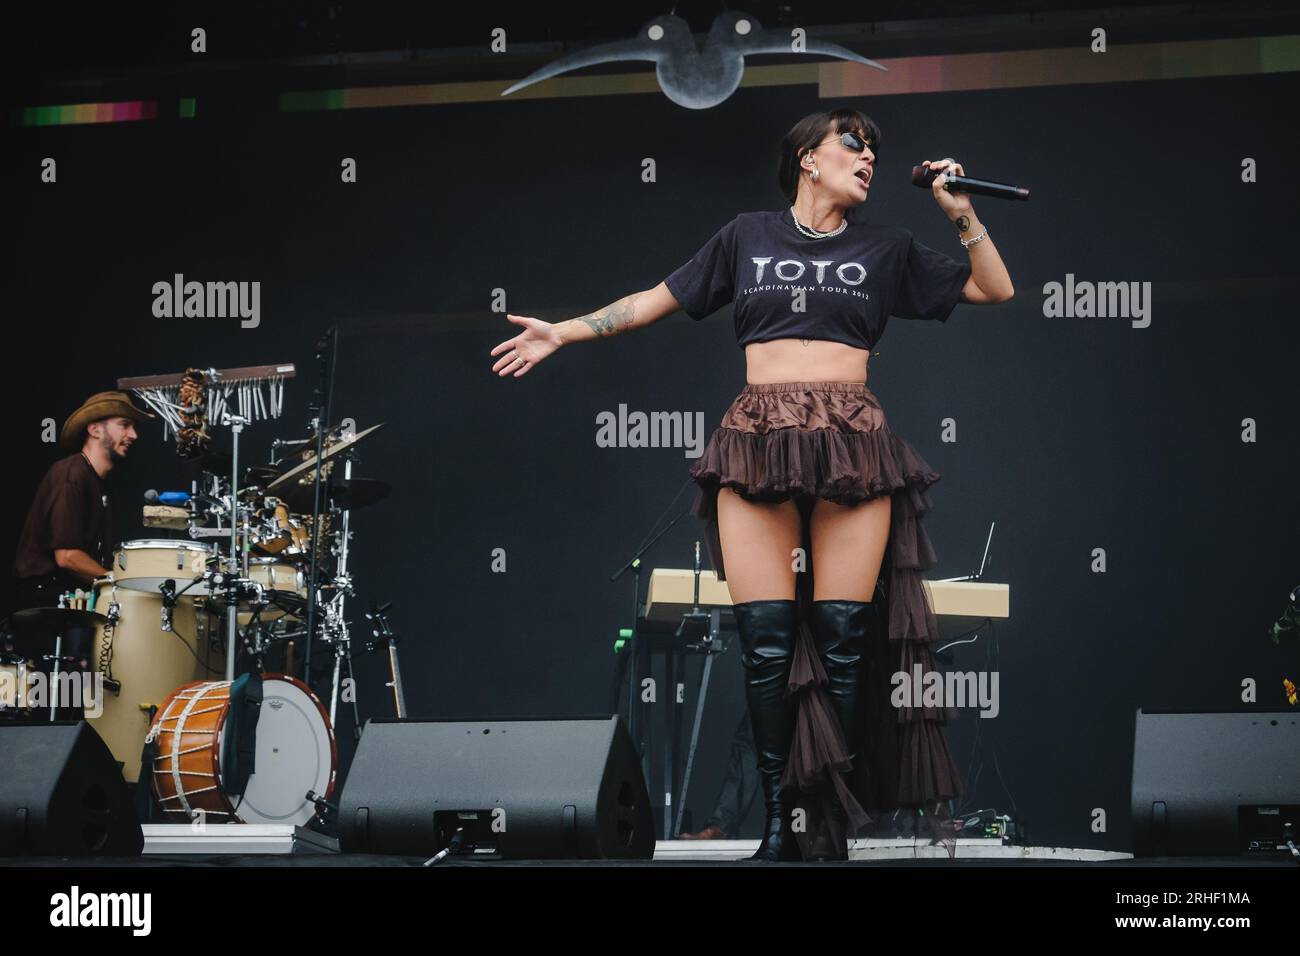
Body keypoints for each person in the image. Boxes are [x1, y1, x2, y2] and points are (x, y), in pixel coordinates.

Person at [491, 108, 1014, 861]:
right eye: (852, 144)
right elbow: (654, 300)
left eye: (875, 151)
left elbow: (993, 290)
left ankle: (826, 825)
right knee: (766, 644)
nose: (868, 158)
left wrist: (960, 214)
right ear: (808, 157)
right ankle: (779, 824)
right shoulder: (746, 236)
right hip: (758, 438)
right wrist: (564, 332)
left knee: (840, 640)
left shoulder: (886, 246)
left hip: (852, 440)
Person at [13, 390, 153, 624]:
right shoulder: (72, 474)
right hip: (44, 605)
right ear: (95, 429)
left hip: (69, 598)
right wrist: (118, 581)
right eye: (124, 425)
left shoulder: (97, 482)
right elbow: (67, 556)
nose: (134, 435)